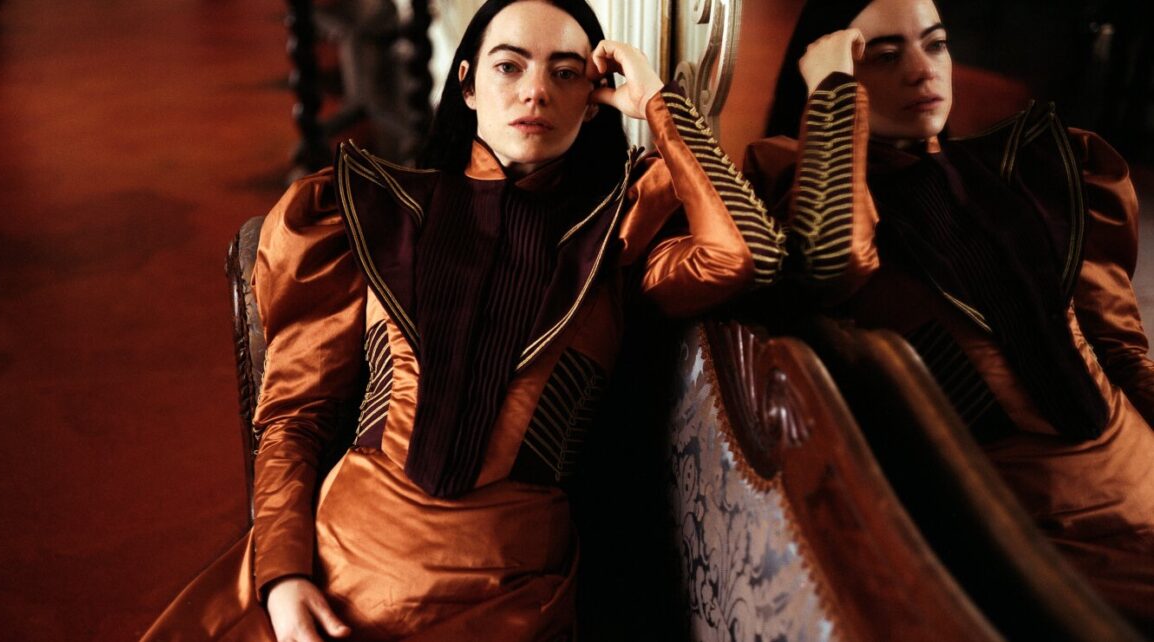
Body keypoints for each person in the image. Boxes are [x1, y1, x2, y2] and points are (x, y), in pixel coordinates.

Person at [142, 1, 855, 639]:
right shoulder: (375, 211)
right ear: (467, 84)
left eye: (567, 74)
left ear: (595, 101)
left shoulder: (619, 235)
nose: (535, 90)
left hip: (508, 597)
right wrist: (283, 576)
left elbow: (747, 254)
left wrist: (658, 104)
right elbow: (295, 418)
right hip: (333, 573)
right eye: (509, 65)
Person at [745, 0, 1154, 628]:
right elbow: (833, 261)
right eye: (884, 56)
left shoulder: (1031, 169)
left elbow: (1121, 350)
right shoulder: (792, 182)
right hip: (1025, 531)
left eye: (934, 44)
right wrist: (831, 93)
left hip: (1136, 469)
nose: (922, 71)